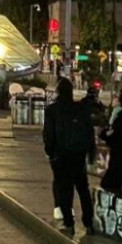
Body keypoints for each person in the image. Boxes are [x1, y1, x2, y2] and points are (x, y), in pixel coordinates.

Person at [43, 78, 95, 233]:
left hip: (61, 155)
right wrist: (90, 152)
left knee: (64, 189)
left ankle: (68, 222)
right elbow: (89, 131)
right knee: (82, 188)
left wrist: (50, 152)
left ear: (58, 92)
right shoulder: (81, 108)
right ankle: (88, 222)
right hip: (78, 154)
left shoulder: (52, 110)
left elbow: (49, 134)